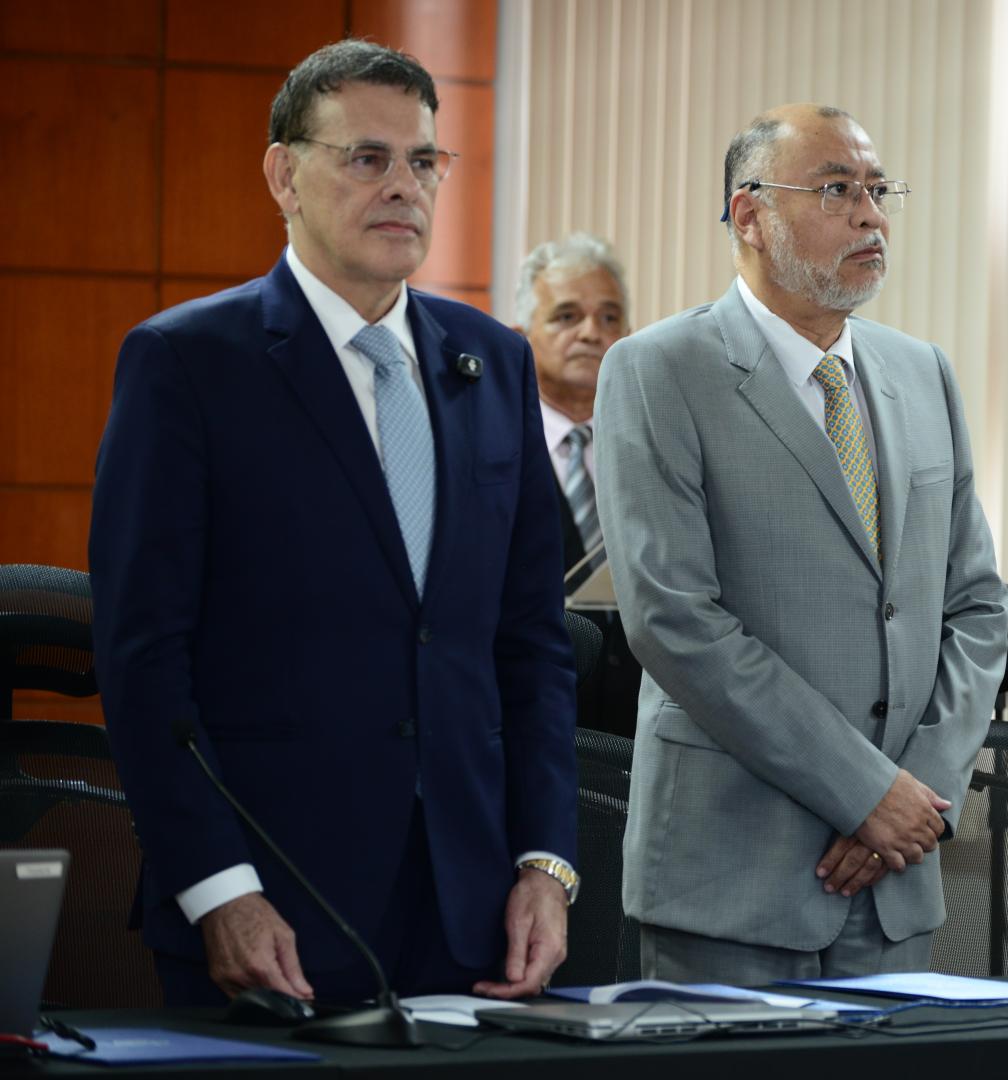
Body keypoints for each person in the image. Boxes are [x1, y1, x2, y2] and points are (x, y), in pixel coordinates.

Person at [89, 40, 579, 1005]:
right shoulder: (188, 363)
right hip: (272, 907)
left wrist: (545, 863)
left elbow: (531, 645)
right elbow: (143, 656)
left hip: (473, 912)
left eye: (423, 160)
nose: (403, 186)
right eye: (366, 157)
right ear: (284, 175)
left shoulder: (494, 363)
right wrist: (218, 888)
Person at [593, 103, 1008, 982]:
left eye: (878, 190)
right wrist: (864, 792)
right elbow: (675, 620)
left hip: (895, 878)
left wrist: (917, 800)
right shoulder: (659, 370)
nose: (871, 216)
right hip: (731, 878)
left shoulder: (922, 372)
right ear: (750, 215)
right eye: (836, 190)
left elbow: (977, 607)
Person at [513, 233, 641, 738]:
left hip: (638, 736)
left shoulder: (657, 447)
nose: (591, 332)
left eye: (609, 318)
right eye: (566, 316)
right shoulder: (491, 449)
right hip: (532, 725)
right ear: (522, 335)